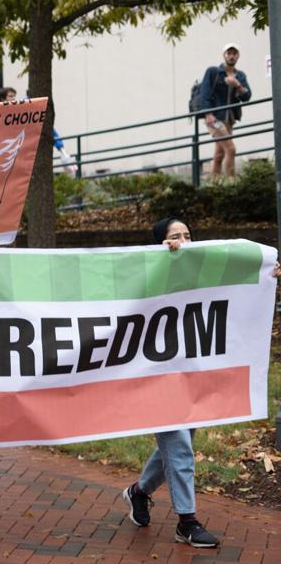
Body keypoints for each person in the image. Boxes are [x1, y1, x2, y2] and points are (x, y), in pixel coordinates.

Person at [118, 217, 219, 548]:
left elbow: (234, 287)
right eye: (175, 236)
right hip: (156, 374)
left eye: (188, 235)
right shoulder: (148, 273)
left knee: (179, 443)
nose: (183, 242)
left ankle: (139, 491)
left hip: (189, 372)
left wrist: (265, 274)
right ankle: (186, 522)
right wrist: (157, 259)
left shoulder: (200, 272)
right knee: (180, 447)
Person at [199, 43, 251, 177]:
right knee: (231, 149)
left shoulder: (240, 76)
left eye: (234, 54)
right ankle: (231, 183)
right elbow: (204, 95)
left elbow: (247, 97)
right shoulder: (213, 72)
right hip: (215, 118)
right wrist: (208, 115)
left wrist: (237, 85)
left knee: (219, 154)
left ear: (238, 56)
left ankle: (215, 184)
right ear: (224, 55)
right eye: (229, 53)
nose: (231, 56)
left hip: (229, 120)